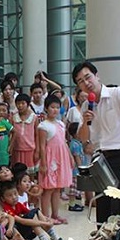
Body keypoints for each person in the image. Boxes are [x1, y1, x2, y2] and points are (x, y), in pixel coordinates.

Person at [72, 61, 120, 224]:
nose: (86, 83)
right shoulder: (86, 106)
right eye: (80, 81)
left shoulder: (117, 93)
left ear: (97, 76)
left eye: (88, 77)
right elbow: (84, 138)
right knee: (103, 201)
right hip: (101, 158)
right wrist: (85, 121)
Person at [0, 179, 67, 240]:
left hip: (26, 231)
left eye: (15, 194)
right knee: (33, 214)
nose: (14, 197)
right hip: (15, 235)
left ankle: (55, 239)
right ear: (3, 198)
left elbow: (30, 213)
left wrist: (47, 219)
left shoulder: (18, 204)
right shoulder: (6, 208)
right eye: (10, 195)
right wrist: (44, 223)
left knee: (35, 211)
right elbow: (22, 221)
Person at [38, 95, 73, 223]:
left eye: (57, 107)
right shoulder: (43, 126)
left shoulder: (61, 124)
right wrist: (43, 163)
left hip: (61, 157)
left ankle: (55, 214)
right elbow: (41, 146)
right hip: (49, 158)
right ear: (46, 108)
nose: (55, 110)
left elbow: (64, 142)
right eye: (52, 107)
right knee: (48, 189)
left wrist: (70, 158)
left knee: (58, 188)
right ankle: (46, 217)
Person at [11, 93, 39, 173]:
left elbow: (37, 135)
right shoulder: (13, 117)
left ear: (28, 104)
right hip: (16, 149)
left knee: (30, 172)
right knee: (17, 172)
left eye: (23, 103)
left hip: (30, 149)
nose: (20, 106)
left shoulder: (34, 117)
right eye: (18, 103)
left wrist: (37, 151)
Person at [0, 102, 13, 167]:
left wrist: (11, 145)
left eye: (4, 110)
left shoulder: (6, 122)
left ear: (8, 112)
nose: (1, 112)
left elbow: (15, 132)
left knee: (4, 167)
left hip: (5, 150)